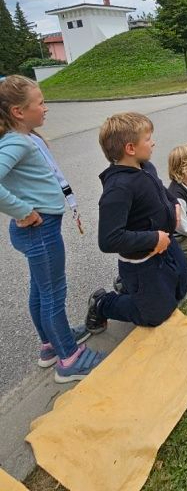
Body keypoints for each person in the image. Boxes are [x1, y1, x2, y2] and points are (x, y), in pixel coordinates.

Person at [0, 75, 104, 382]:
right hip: (39, 231)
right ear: (19, 111)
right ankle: (69, 359)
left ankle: (51, 345)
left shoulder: (22, 138)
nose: (46, 108)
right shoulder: (16, 142)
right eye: (41, 103)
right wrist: (22, 210)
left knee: (41, 290)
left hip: (38, 230)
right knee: (53, 295)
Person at [85, 112, 187, 333]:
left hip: (166, 246)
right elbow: (109, 239)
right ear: (130, 148)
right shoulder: (118, 188)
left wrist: (174, 203)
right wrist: (153, 238)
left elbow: (160, 190)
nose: (153, 143)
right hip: (142, 260)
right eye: (148, 139)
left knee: (182, 287)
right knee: (156, 314)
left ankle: (130, 286)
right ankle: (103, 303)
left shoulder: (145, 167)